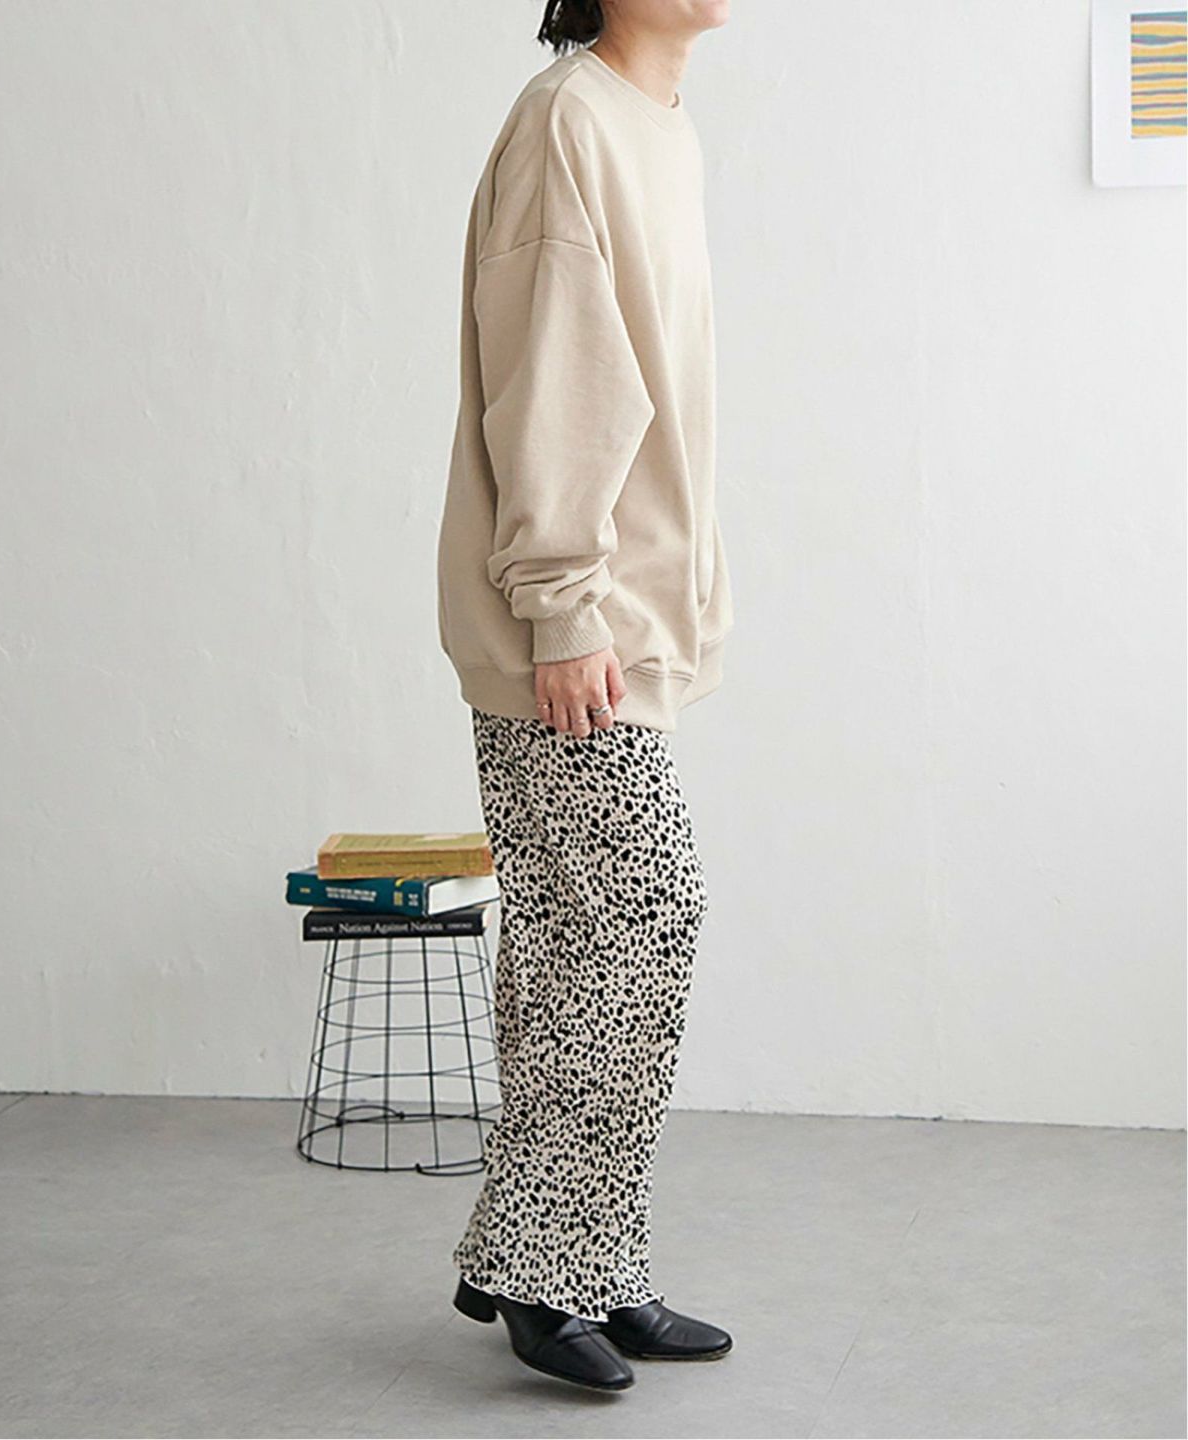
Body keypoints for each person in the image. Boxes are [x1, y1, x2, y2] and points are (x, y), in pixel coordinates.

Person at [435, 0, 735, 1393]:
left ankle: (586, 1261)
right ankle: (535, 1262)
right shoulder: (570, 122)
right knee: (629, 924)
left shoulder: (655, 125)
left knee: (586, 941)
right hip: (572, 626)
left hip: (623, 620)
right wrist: (561, 602)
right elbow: (549, 374)